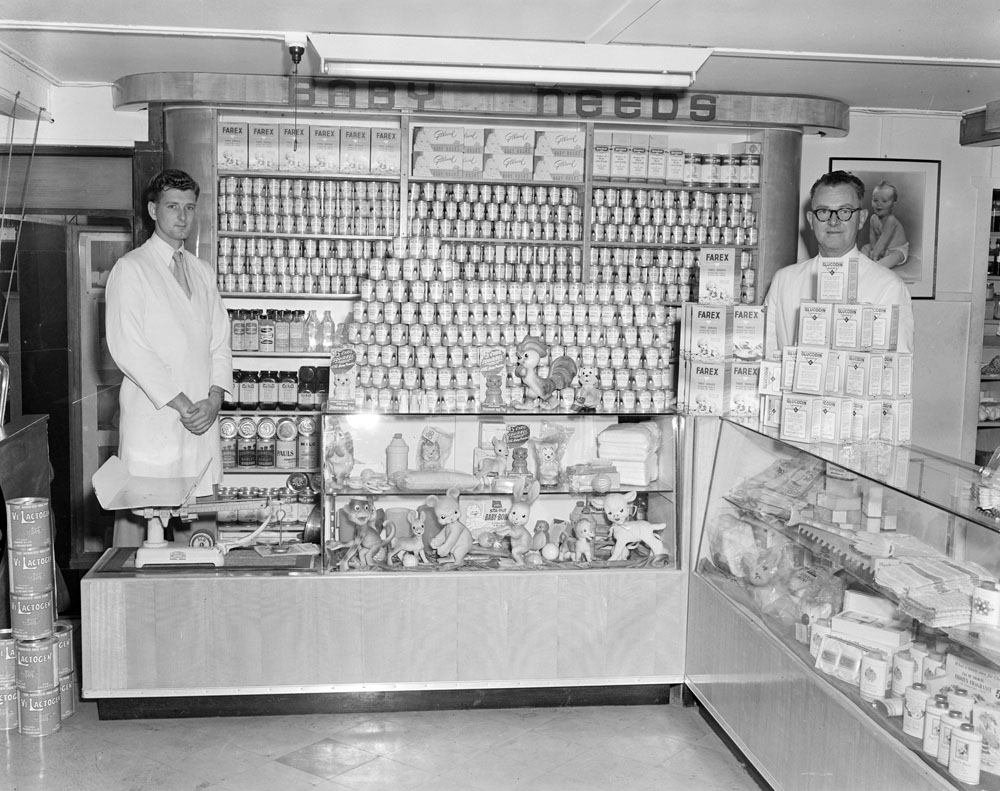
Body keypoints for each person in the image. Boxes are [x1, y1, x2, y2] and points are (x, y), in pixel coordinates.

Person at [106, 169, 232, 545]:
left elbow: (219, 342)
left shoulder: (202, 272)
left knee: (200, 541)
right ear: (152, 210)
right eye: (173, 206)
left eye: (190, 207)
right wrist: (181, 404)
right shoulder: (131, 269)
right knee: (143, 541)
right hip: (157, 421)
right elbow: (129, 347)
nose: (183, 217)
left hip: (200, 423)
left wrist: (213, 399)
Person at [763, 170, 914, 355]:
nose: (833, 221)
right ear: (811, 220)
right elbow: (766, 355)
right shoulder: (784, 281)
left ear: (861, 219)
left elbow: (895, 370)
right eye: (824, 211)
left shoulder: (888, 286)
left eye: (845, 211)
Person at [861, 180, 909, 268]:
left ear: (893, 205)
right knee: (865, 248)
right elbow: (872, 236)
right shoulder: (873, 218)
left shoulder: (891, 220)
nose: (879, 204)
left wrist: (875, 255)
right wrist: (872, 249)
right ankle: (866, 263)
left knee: (896, 256)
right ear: (871, 202)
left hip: (896, 249)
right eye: (875, 200)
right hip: (881, 249)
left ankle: (877, 266)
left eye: (884, 201)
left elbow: (884, 238)